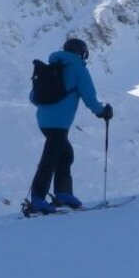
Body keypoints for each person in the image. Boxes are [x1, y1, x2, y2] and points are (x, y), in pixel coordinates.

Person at [27, 38, 113, 214]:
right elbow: (89, 97)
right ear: (81, 53)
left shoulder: (53, 67)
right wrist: (102, 112)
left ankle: (63, 194)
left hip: (44, 121)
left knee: (65, 154)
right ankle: (38, 199)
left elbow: (33, 97)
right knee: (50, 159)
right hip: (59, 123)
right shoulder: (78, 69)